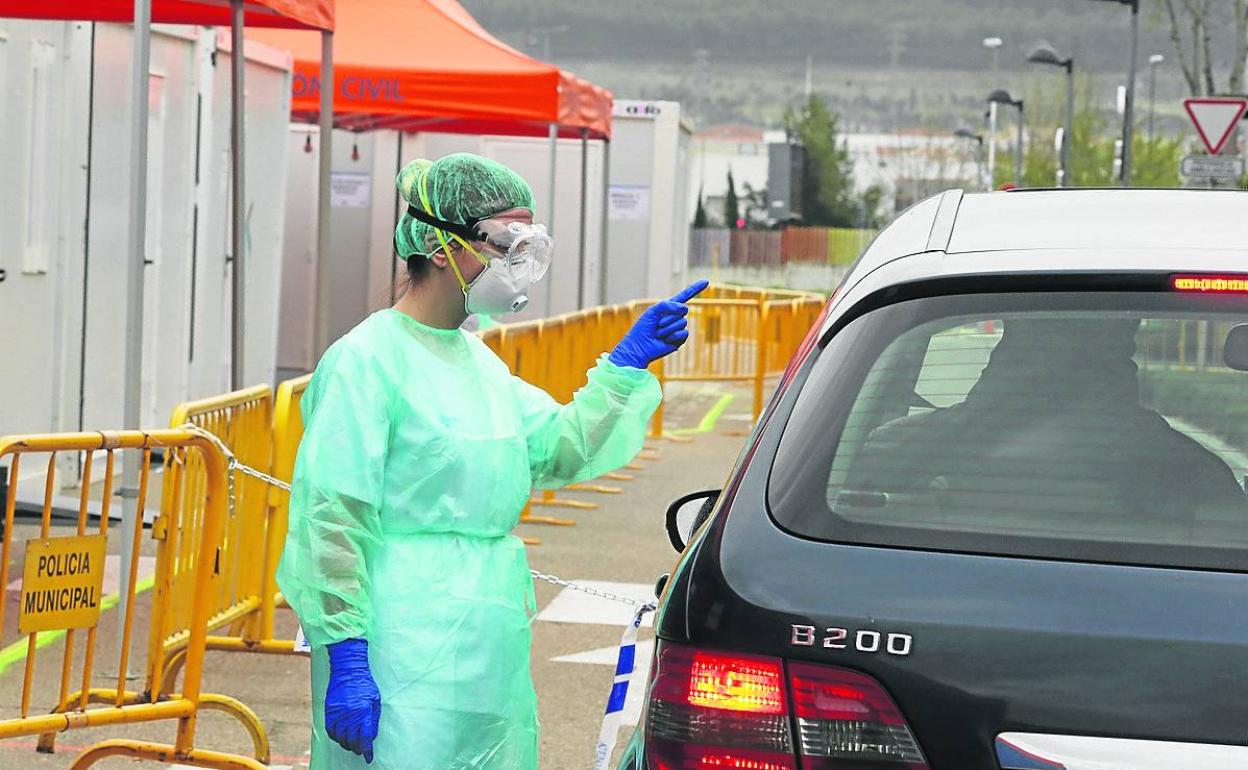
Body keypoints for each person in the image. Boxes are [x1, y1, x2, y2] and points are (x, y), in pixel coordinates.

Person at [277, 152, 707, 770]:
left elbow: (556, 448)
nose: (518, 261)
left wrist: (624, 367)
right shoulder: (367, 361)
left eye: (529, 242)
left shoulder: (479, 365)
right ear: (438, 242)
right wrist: (345, 651)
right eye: (507, 240)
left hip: (487, 640)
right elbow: (331, 516)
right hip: (398, 641)